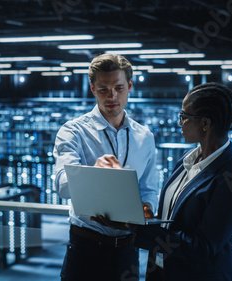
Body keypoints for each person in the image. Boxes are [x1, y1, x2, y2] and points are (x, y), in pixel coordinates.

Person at [95, 82, 232, 281]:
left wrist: (140, 230)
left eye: (184, 117)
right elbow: (175, 218)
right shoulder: (188, 159)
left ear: (205, 123)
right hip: (164, 271)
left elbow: (201, 249)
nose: (179, 123)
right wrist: (139, 216)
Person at [53, 53, 159, 281]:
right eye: (103, 89)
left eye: (119, 88)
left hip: (128, 251)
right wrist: (93, 171)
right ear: (92, 88)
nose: (112, 96)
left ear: (130, 86)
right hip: (85, 250)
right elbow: (62, 187)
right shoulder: (73, 132)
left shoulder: (145, 137)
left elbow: (150, 188)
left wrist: (146, 209)